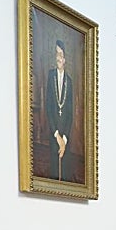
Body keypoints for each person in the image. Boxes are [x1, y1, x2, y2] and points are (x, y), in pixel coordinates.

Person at [44, 39, 73, 181]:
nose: (58, 58)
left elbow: (70, 113)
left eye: (60, 54)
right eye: (56, 54)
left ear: (65, 58)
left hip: (65, 137)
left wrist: (64, 140)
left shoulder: (69, 81)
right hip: (53, 133)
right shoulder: (51, 76)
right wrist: (57, 136)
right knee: (54, 172)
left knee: (65, 174)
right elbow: (48, 107)